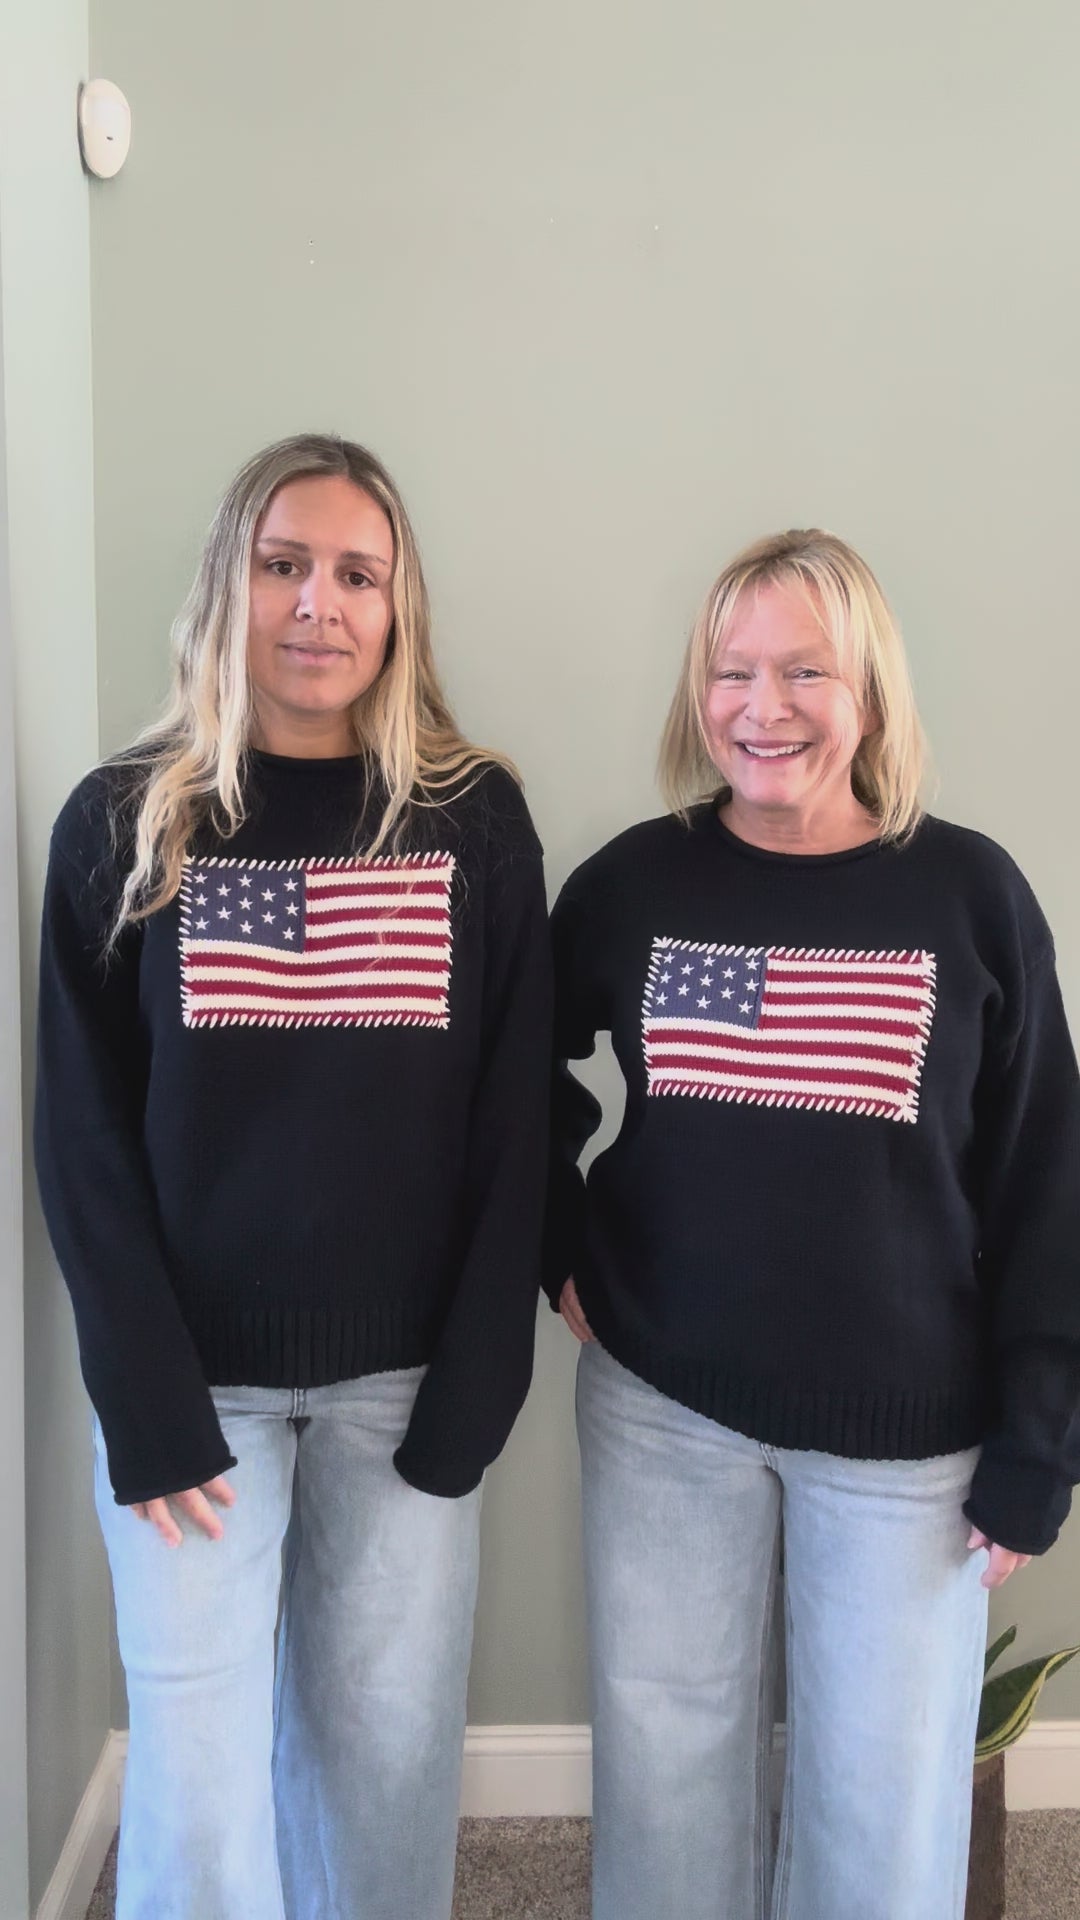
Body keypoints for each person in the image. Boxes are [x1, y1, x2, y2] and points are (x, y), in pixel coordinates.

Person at [35, 433, 551, 1920]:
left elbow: (517, 1115)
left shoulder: (472, 819)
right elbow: (82, 1134)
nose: (318, 605)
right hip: (189, 1391)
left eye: (356, 575)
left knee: (384, 1763)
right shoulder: (125, 819)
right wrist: (142, 1392)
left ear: (399, 609)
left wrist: (483, 1375)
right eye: (283, 565)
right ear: (229, 585)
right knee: (197, 1780)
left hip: (408, 1384)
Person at [545, 529, 1080, 1920]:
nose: (762, 706)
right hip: (663, 1408)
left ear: (870, 694)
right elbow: (505, 1083)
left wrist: (1041, 1439)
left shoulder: (971, 897)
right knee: (667, 1763)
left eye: (804, 671)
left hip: (908, 1435)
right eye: (732, 671)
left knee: (882, 1805)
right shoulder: (634, 886)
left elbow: (1047, 1181)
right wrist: (558, 1244)